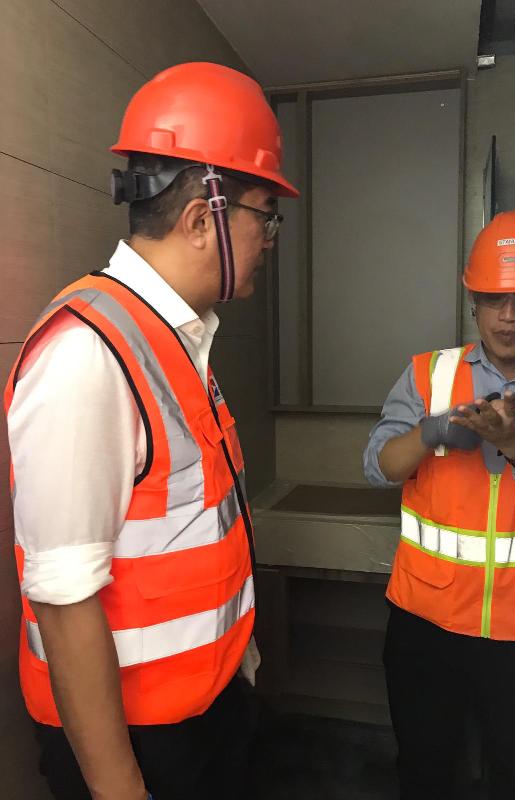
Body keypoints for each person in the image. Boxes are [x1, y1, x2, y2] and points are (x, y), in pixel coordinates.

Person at [4, 61, 298, 800]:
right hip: (136, 756)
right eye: (265, 215)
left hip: (205, 719)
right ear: (204, 219)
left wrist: (240, 664)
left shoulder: (176, 341)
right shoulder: (87, 356)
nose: (271, 237)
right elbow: (65, 601)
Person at [363, 210, 515, 800]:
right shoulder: (429, 376)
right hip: (427, 625)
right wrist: (432, 433)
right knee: (425, 771)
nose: (508, 317)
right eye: (493, 299)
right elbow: (379, 467)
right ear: (473, 302)